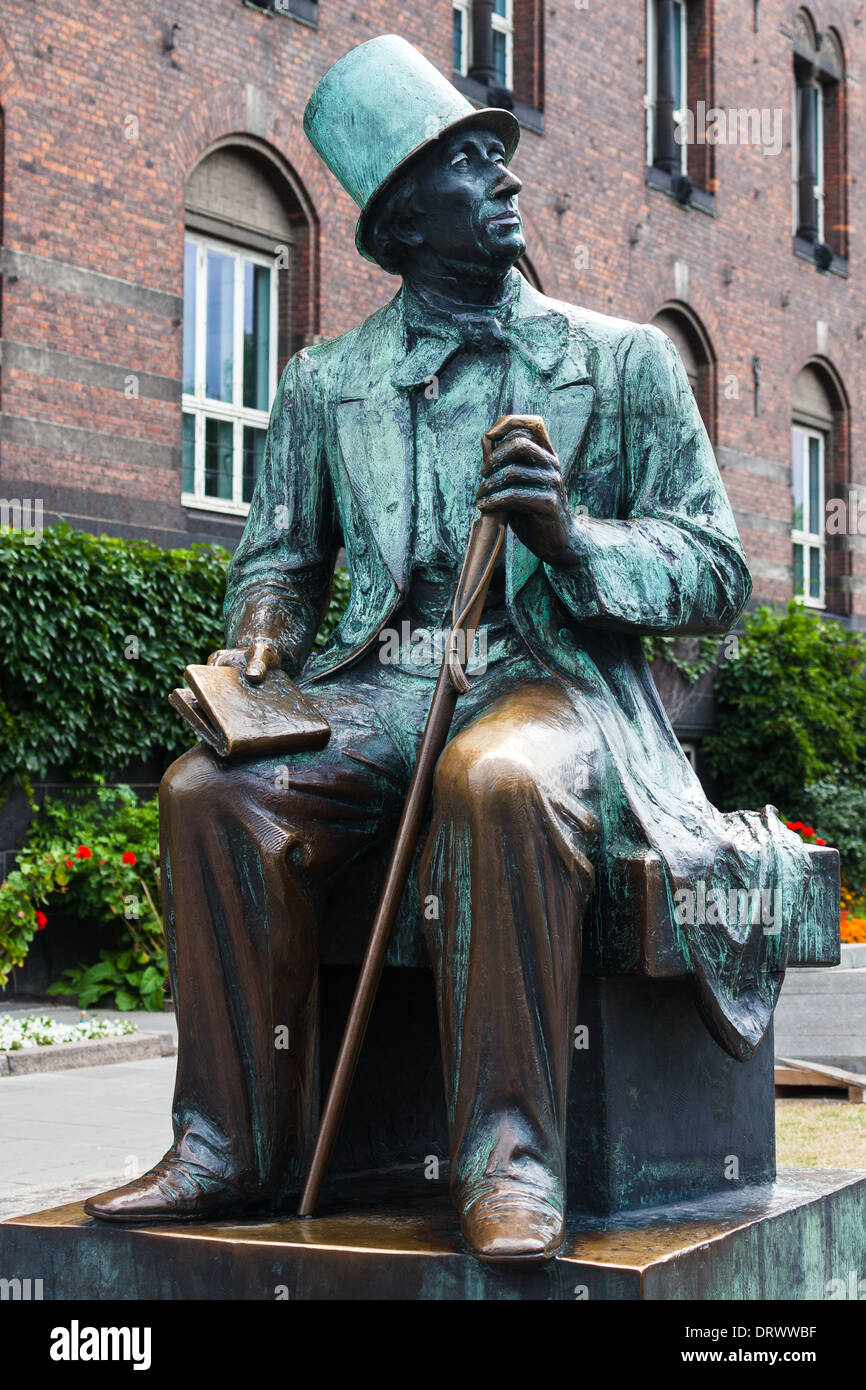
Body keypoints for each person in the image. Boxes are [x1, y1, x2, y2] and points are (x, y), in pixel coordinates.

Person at [85, 35, 806, 1263]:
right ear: (403, 221)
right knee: (210, 794)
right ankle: (228, 1147)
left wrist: (571, 540)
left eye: (498, 155)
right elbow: (277, 560)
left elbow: (714, 574)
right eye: (472, 163)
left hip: (555, 680)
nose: (506, 176)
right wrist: (265, 630)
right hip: (378, 685)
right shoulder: (325, 383)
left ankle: (507, 1157)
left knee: (500, 779)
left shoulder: (621, 363)